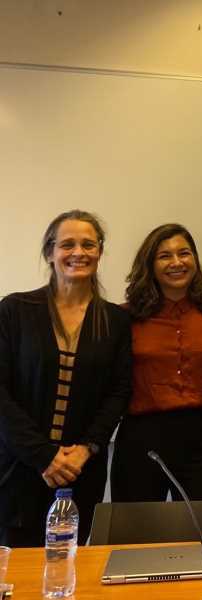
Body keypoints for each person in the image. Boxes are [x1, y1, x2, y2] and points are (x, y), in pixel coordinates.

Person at [0, 210, 131, 546]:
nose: (79, 253)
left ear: (99, 252)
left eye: (88, 244)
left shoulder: (115, 320)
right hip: (18, 467)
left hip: (81, 471)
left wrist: (86, 449)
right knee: (14, 566)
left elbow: (118, 392)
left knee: (68, 564)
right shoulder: (14, 310)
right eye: (67, 244)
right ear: (50, 252)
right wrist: (43, 455)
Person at [110, 224, 202, 502]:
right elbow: (113, 383)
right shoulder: (124, 317)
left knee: (198, 524)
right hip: (141, 436)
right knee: (135, 525)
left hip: (201, 438)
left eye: (184, 253)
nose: (177, 262)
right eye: (165, 256)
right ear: (150, 265)